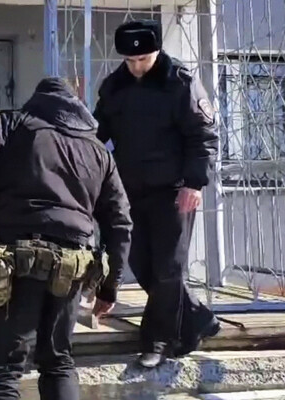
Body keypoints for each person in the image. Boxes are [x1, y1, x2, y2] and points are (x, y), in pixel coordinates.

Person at [0, 78, 133, 400]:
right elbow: (120, 222)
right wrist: (109, 286)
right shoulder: (98, 150)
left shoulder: (15, 123)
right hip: (72, 264)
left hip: (17, 258)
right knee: (58, 361)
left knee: (3, 371)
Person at [93, 19, 221, 368]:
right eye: (130, 60)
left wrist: (194, 183)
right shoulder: (115, 86)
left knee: (168, 267)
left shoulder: (179, 83)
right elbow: (98, 134)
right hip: (130, 190)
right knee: (142, 265)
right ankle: (197, 318)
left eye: (143, 59)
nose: (136, 67)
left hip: (173, 190)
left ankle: (158, 342)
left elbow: (203, 136)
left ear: (157, 52)